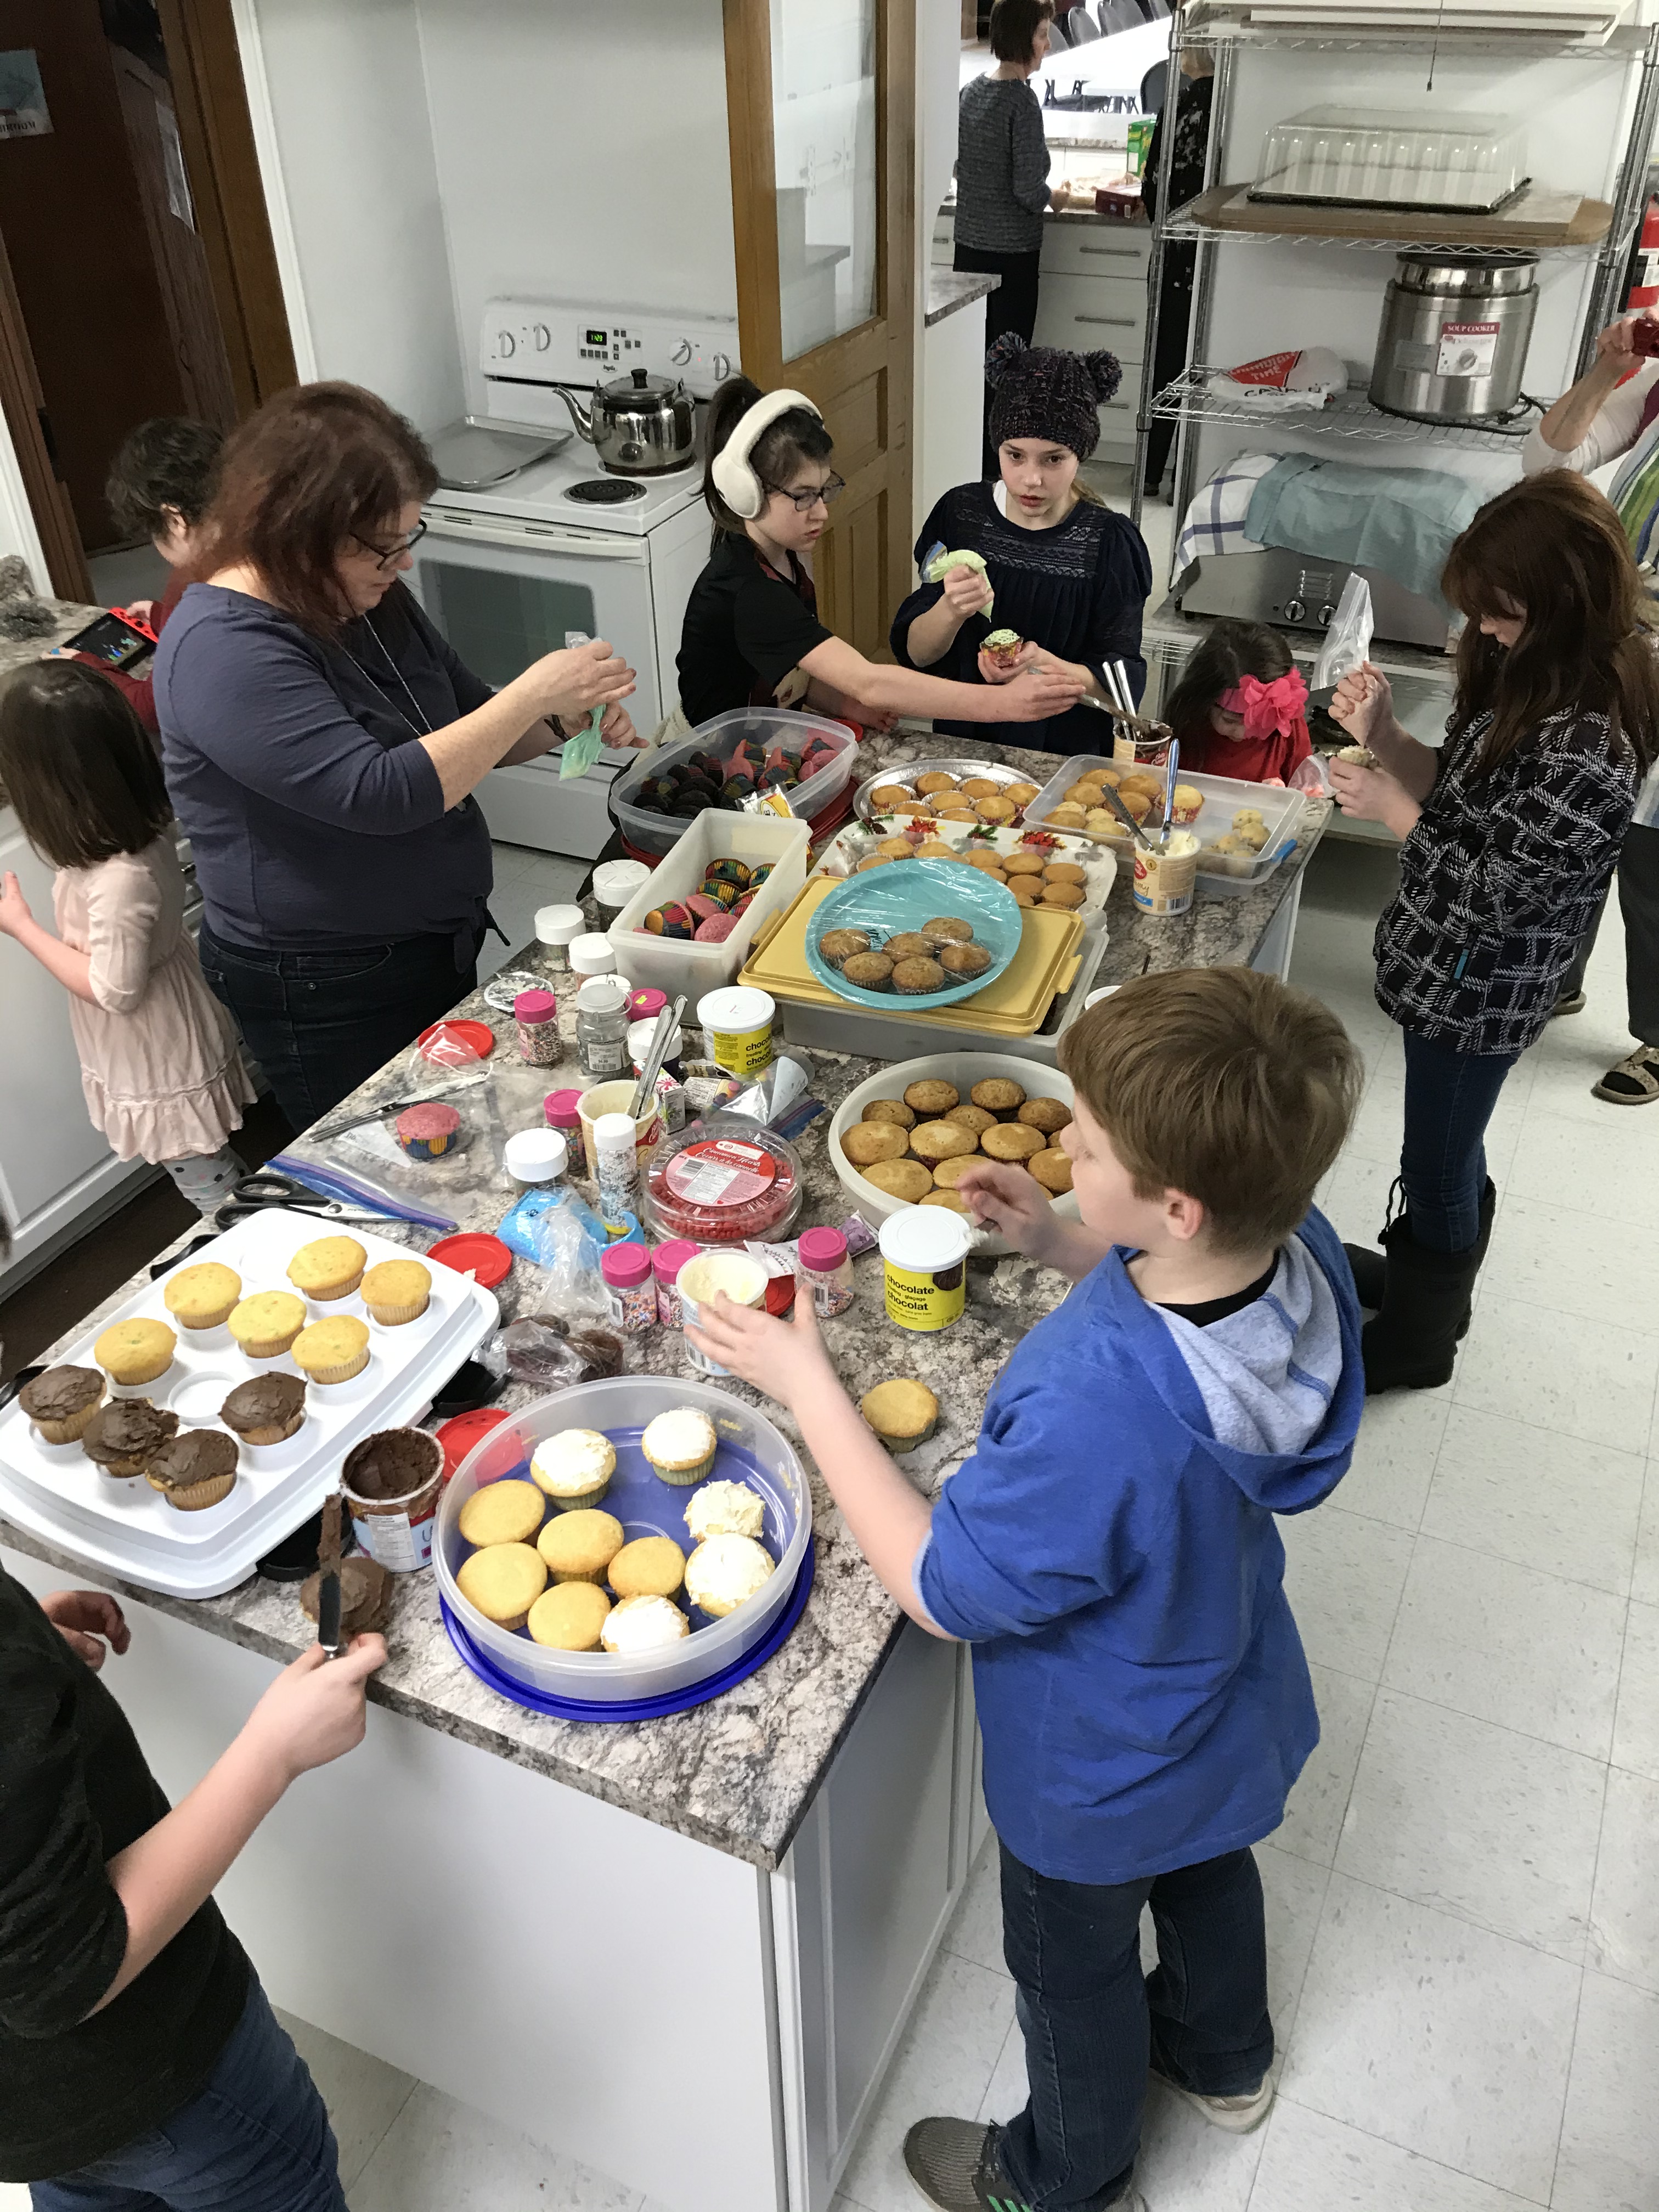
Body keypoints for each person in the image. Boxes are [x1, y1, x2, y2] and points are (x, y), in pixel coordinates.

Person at [687, 967, 1365, 2212]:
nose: (1067, 1152)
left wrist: (806, 1384)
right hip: (1226, 1690)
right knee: (1211, 1869)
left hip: (1098, 1768)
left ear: (1172, 1202)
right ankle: (1224, 2058)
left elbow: (943, 1587)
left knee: (1069, 1972)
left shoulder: (1101, 1404)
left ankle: (1057, 2177)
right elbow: (1187, 1271)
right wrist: (1060, 1237)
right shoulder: (1295, 1239)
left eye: (1085, 1149)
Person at [154, 381, 642, 1133]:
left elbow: (466, 723)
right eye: (385, 546)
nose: (403, 564)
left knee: (449, 1129)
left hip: (424, 941)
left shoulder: (359, 595)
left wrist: (558, 718)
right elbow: (379, 794)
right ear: (299, 533)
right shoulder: (223, 651)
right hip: (325, 982)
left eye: (408, 537)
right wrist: (531, 692)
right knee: (374, 1153)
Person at [1330, 471, 1659, 1391]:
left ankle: (1418, 1342)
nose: (1482, 628)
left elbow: (1491, 894)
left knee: (1434, 1162)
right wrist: (1387, 738)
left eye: (1499, 611)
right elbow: (1463, 791)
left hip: (1480, 987)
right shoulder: (1535, 676)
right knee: (1450, 1142)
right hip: (1448, 967)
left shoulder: (1589, 744)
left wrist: (1391, 808)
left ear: (1562, 601)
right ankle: (1430, 1291)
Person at [0, 1547, 385, 2210]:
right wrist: (273, 1752)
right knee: (278, 2184)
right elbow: (60, 1975)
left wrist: (26, 1659)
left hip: (26, 2115)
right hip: (157, 2072)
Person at [677, 376, 1086, 733]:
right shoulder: (748, 591)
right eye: (802, 497)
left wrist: (843, 705)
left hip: (759, 740)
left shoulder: (780, 558)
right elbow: (870, 682)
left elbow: (790, 666)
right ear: (746, 494)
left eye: (823, 491)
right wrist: (1004, 705)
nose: (821, 512)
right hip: (705, 758)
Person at [0, 662, 254, 1220]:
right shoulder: (131, 826)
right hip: (163, 1018)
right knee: (203, 1158)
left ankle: (244, 1233)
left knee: (202, 1174)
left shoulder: (118, 876)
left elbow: (114, 991)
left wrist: (21, 925)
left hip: (153, 1043)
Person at [1522, 306, 1659, 1101]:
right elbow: (1547, 461)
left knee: (1653, 855)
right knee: (1581, 816)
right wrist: (1610, 369)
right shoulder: (1654, 387)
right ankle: (1558, 976)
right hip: (1621, 646)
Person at [892, 335, 1152, 754]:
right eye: (1015, 456)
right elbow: (916, 656)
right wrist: (950, 610)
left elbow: (1123, 693)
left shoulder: (1109, 543)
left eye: (1054, 459)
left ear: (1080, 455)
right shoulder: (961, 515)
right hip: (965, 741)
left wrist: (1049, 666)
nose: (1032, 479)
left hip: (1064, 752)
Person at [60, 417, 224, 737]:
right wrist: (162, 616)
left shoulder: (194, 583)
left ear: (174, 520)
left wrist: (88, 667)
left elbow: (153, 708)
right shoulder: (251, 544)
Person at [953, 0, 1054, 476]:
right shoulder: (1022, 102)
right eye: (1042, 34)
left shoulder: (970, 93)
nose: (1047, 45)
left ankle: (971, 466)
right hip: (1012, 257)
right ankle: (999, 471)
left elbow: (960, 167)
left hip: (969, 250)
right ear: (1021, 38)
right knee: (1009, 371)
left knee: (974, 368)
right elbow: (1028, 191)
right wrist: (1056, 196)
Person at [1141, 49, 1215, 499]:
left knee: (1165, 363)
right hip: (1215, 257)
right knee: (1205, 364)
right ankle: (1187, 477)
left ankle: (1151, 473)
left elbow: (1152, 184)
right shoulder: (1230, 108)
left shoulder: (1178, 106)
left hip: (1173, 253)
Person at [1163, 616, 1312, 783]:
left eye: (1259, 721)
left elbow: (1308, 788)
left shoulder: (1288, 727)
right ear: (1205, 702)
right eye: (1230, 720)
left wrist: (1284, 794)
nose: (1243, 733)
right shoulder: (1187, 726)